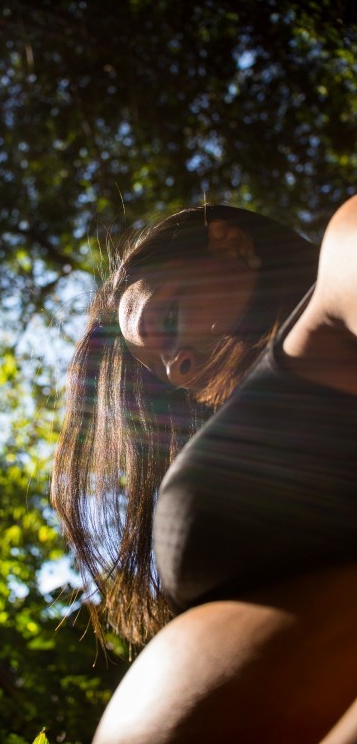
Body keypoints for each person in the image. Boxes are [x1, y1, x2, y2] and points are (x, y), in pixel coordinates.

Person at [51, 196, 357, 742]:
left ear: (233, 245)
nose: (179, 366)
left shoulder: (337, 267)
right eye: (163, 368)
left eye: (168, 317)